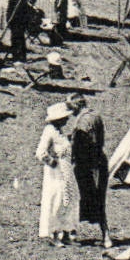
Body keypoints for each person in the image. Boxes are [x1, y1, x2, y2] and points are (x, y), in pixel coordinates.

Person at [67, 95, 110, 248]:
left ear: (76, 106)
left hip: (87, 164)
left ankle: (70, 231)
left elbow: (83, 143)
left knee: (78, 197)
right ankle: (106, 235)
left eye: (70, 107)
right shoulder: (95, 116)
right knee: (99, 199)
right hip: (99, 161)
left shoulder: (83, 122)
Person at [36, 103, 79, 247]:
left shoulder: (59, 131)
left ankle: (66, 232)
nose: (67, 120)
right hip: (55, 172)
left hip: (66, 170)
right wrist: (53, 162)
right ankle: (53, 233)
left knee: (69, 199)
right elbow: (41, 152)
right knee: (56, 200)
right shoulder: (49, 131)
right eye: (64, 117)